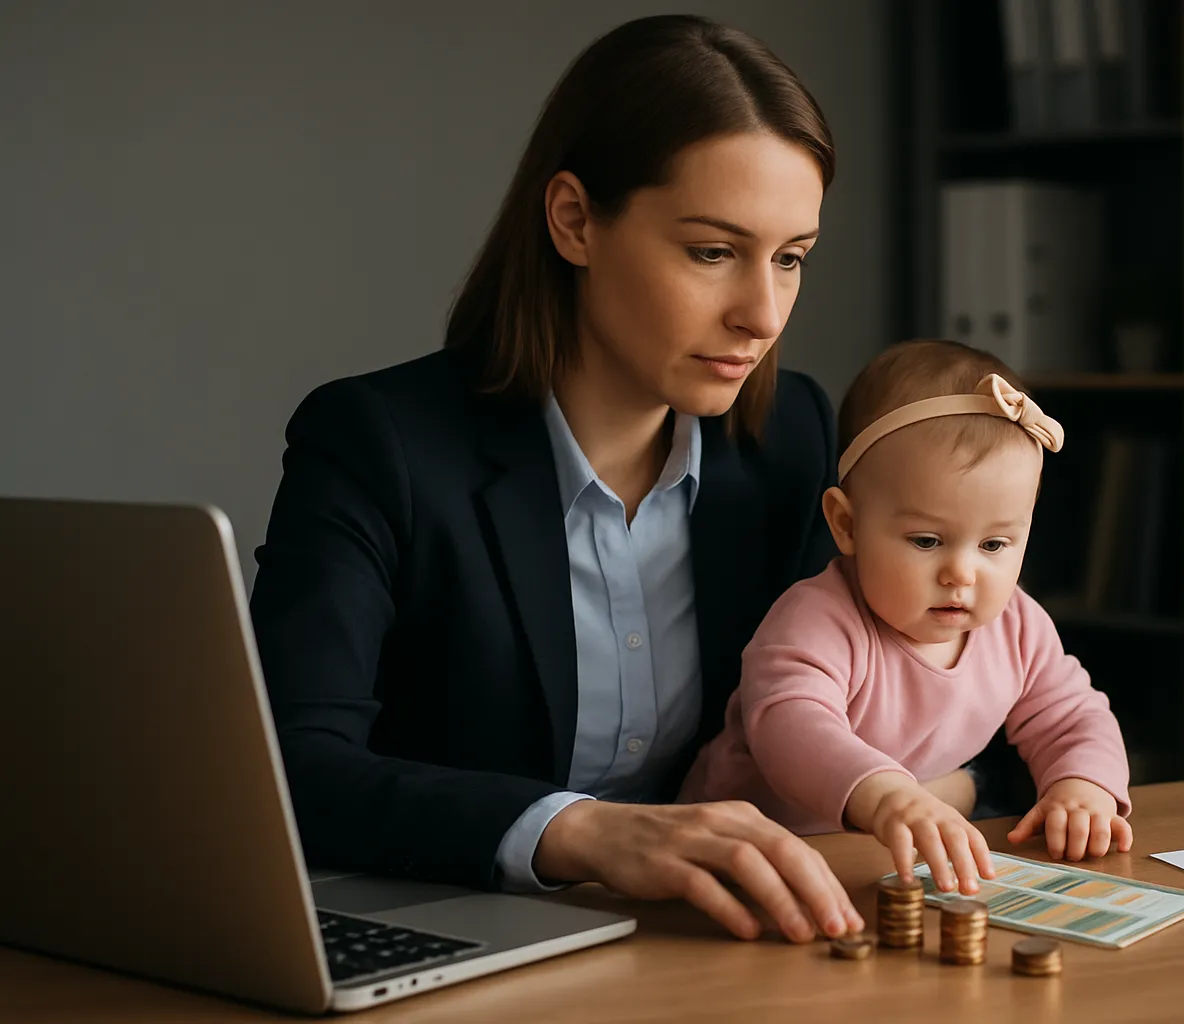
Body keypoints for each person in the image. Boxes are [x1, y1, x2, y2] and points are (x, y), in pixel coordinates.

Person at [249, 13, 977, 946]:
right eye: (713, 251)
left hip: (716, 944)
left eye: (791, 258)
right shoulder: (375, 441)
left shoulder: (792, 434)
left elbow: (890, 691)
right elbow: (293, 769)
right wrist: (583, 832)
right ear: (574, 220)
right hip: (453, 936)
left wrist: (917, 787)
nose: (763, 313)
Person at [678, 339, 1135, 898]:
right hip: (747, 857)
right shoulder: (817, 619)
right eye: (926, 540)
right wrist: (886, 794)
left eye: (994, 544)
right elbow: (791, 724)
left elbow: (1071, 716)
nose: (961, 573)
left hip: (876, 859)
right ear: (846, 525)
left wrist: (1082, 785)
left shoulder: (1016, 625)